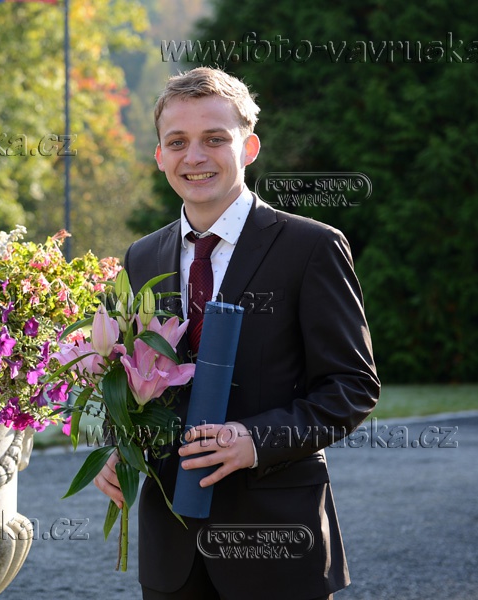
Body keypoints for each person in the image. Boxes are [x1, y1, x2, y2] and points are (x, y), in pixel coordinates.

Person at [93, 67, 380, 600]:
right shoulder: (141, 257)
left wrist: (255, 442)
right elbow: (129, 379)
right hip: (171, 552)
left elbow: (352, 387)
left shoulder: (311, 247)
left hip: (276, 542)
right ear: (159, 156)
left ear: (248, 148)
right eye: (177, 142)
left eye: (214, 139)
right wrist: (121, 450)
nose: (194, 156)